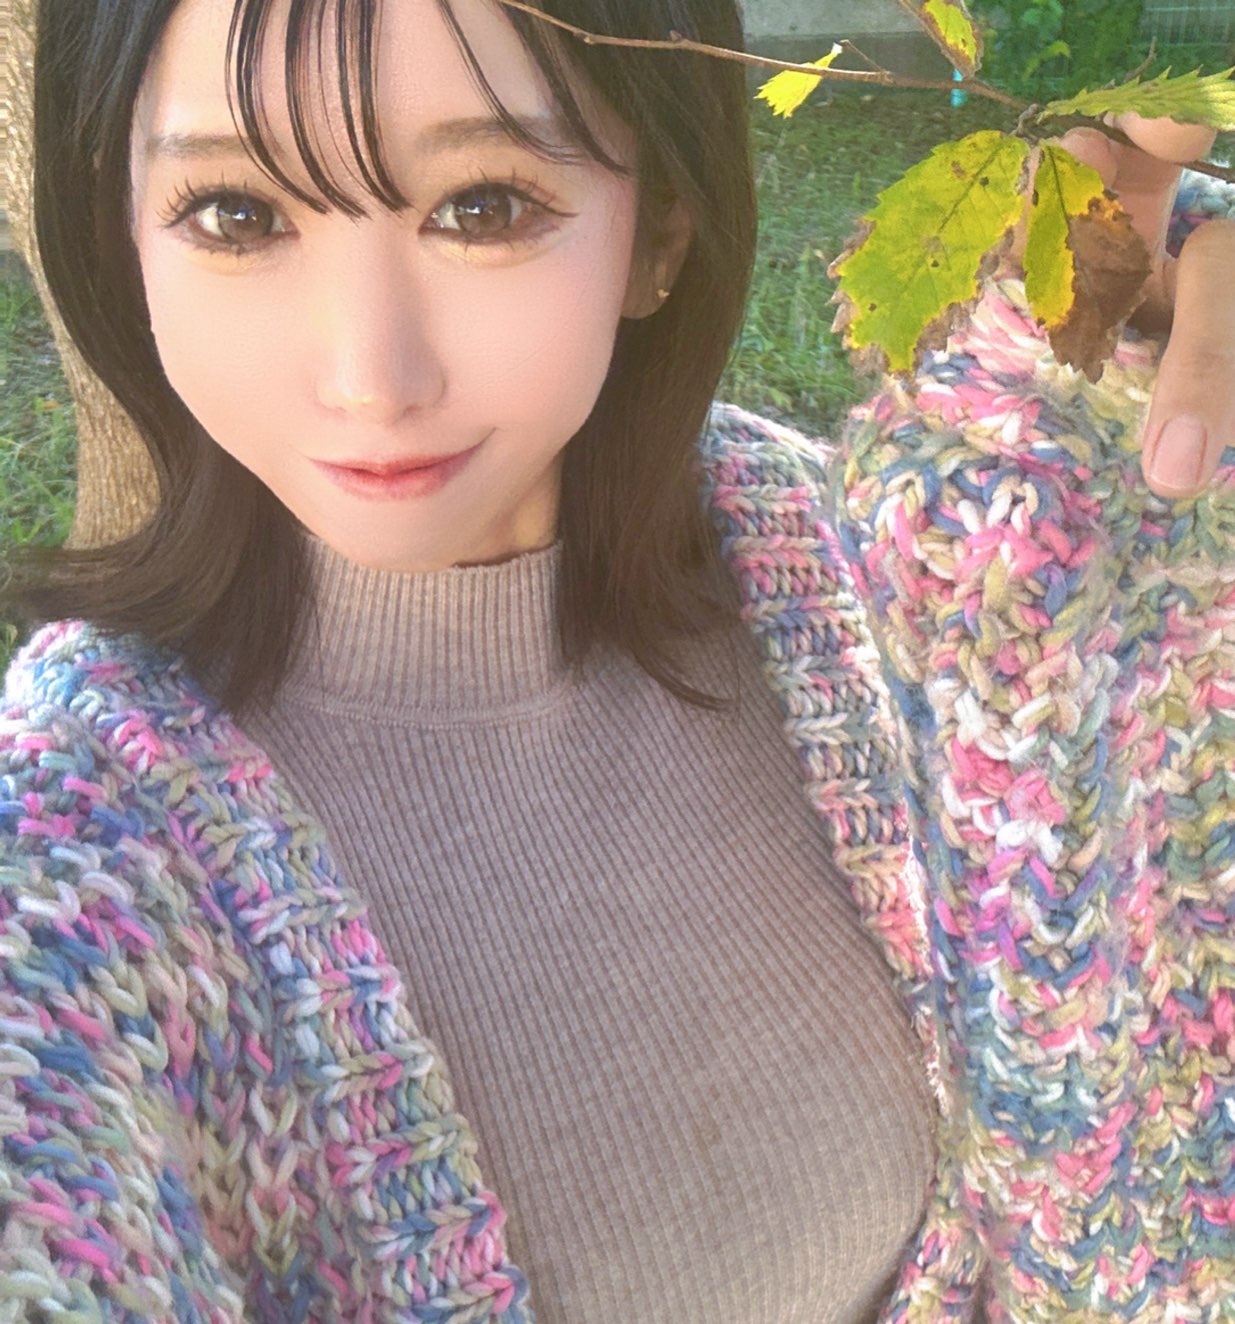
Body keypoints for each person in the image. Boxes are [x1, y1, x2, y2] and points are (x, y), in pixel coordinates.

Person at [0, 0, 1233, 1320]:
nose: (371, 378)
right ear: (120, 234)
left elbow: (1119, 1113)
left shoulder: (873, 578)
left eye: (482, 208)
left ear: (659, 234)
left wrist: (1134, 490)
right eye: (236, 216)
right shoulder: (70, 874)